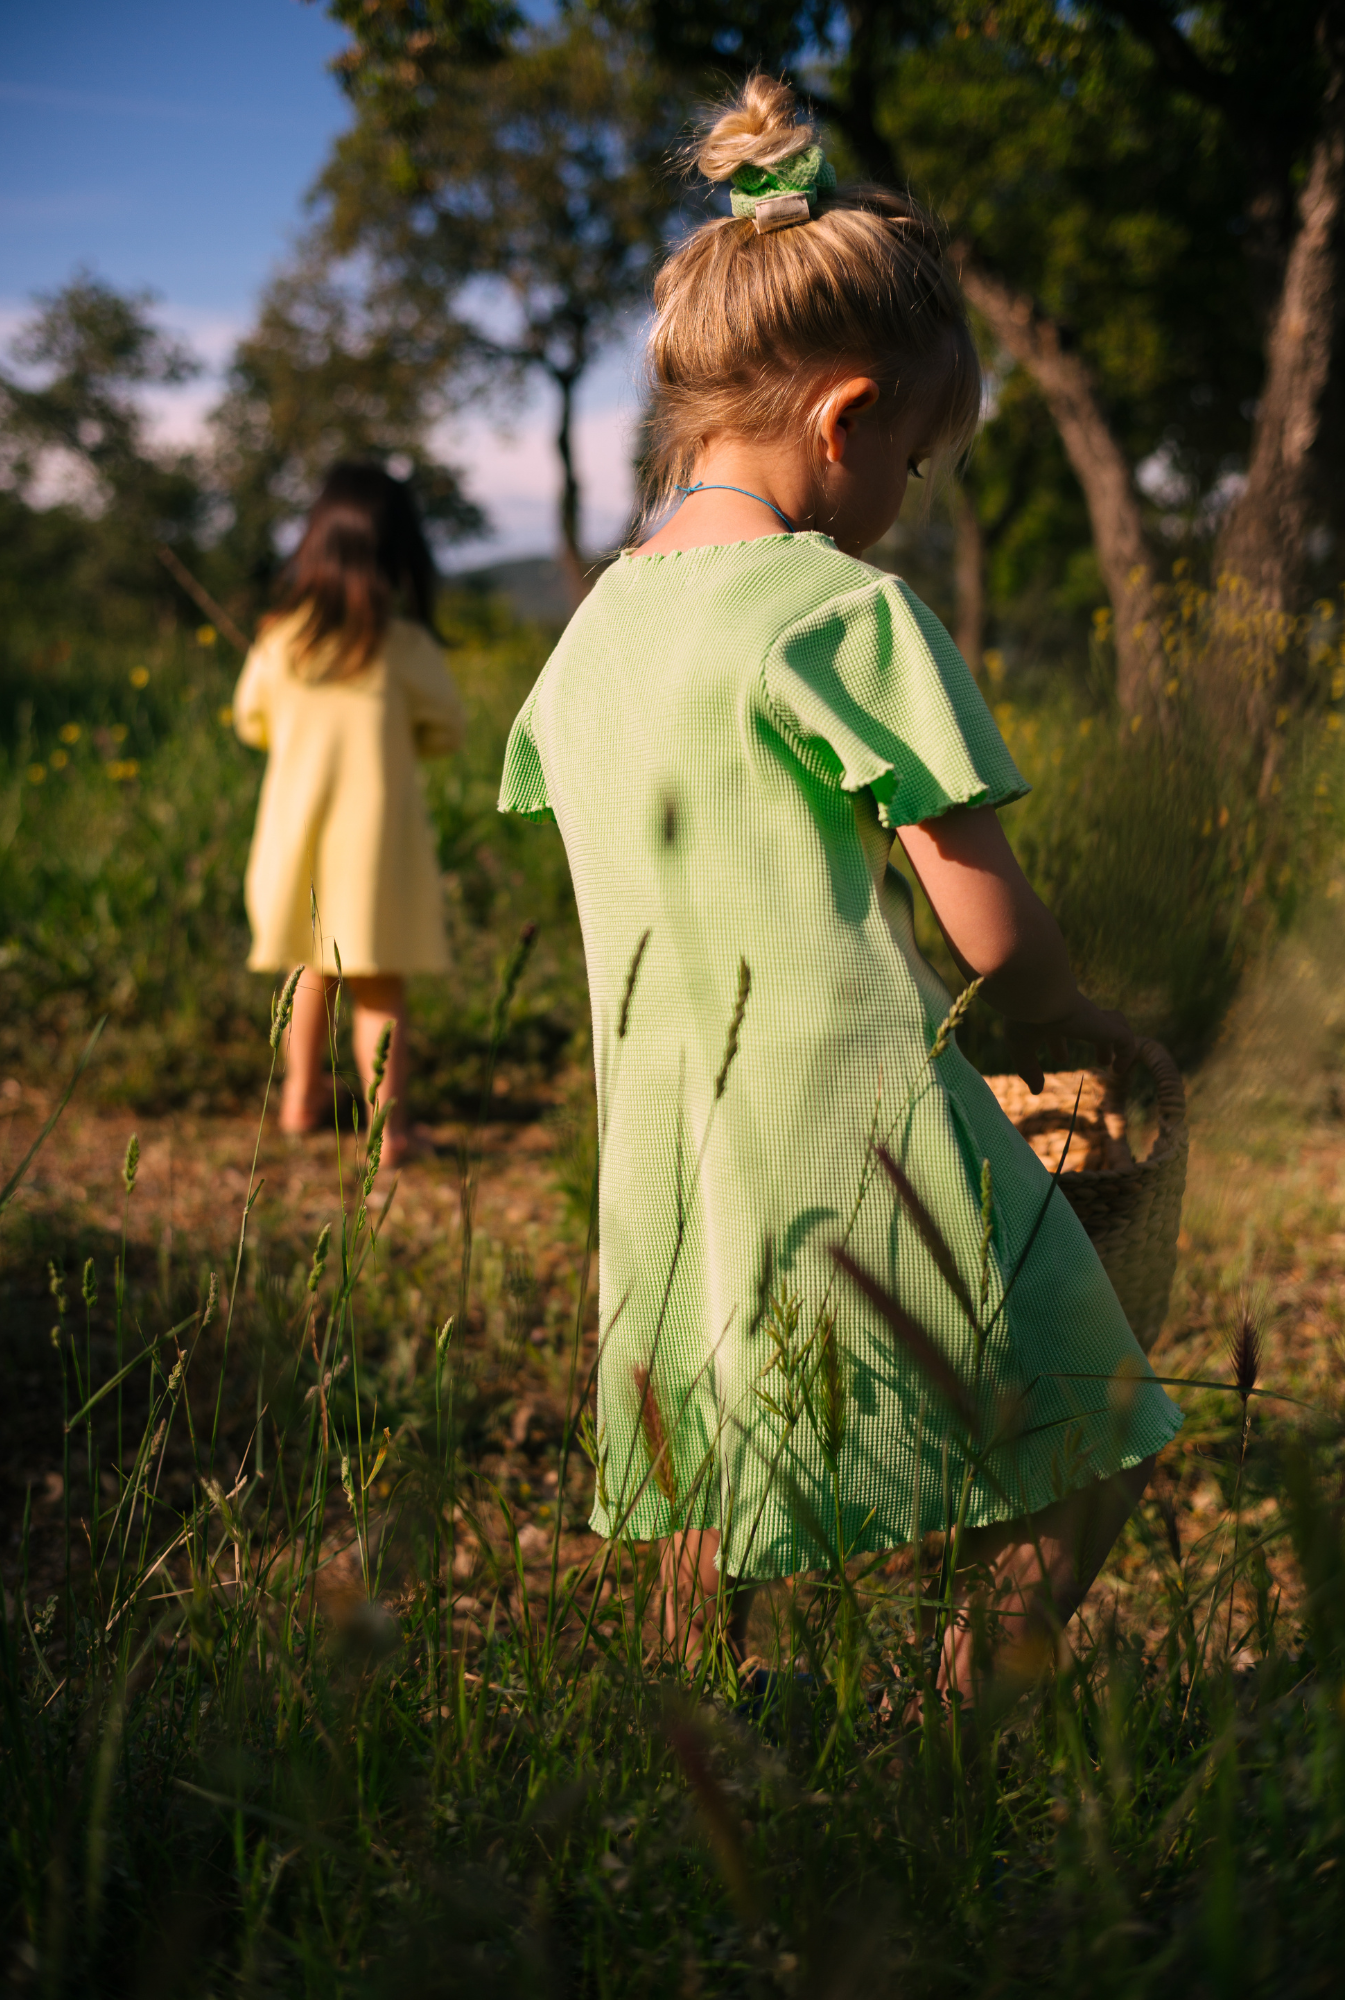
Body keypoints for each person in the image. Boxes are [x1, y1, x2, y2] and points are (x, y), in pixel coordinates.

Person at [498, 78, 1183, 1704]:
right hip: (864, 1113)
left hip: (667, 1133)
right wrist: (1069, 1021)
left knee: (699, 1452)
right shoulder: (837, 613)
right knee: (1101, 1426)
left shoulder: (593, 629)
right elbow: (990, 926)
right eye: (923, 463)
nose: (908, 498)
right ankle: (972, 1697)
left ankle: (700, 1749)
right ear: (846, 418)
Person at [234, 462, 464, 1169]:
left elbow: (251, 722)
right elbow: (445, 730)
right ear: (399, 554)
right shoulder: (403, 648)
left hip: (295, 848)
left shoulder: (279, 640)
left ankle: (299, 1101)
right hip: (373, 856)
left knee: (308, 972)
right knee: (379, 987)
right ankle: (388, 1133)